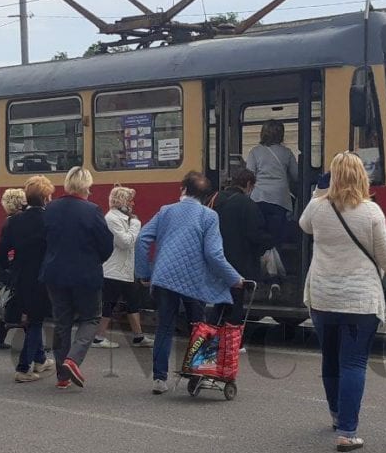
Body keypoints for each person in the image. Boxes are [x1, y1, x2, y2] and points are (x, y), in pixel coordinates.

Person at [299, 153, 386, 452]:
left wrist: (319, 192)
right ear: (363, 177)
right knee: (354, 363)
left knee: (330, 360)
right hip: (359, 303)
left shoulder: (318, 209)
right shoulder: (371, 212)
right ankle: (347, 431)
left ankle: (336, 416)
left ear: (333, 176)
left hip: (323, 300)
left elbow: (303, 225)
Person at [136, 171, 244, 395]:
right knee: (201, 326)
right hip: (193, 281)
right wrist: (234, 278)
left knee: (164, 327)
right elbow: (214, 255)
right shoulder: (209, 216)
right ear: (206, 196)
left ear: (183, 189)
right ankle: (200, 371)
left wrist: (145, 273)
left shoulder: (166, 211)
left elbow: (142, 239)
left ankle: (159, 378)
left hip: (165, 278)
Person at [41, 166, 114, 389]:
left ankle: (62, 377)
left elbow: (44, 239)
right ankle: (74, 359)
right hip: (85, 275)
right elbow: (106, 245)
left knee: (61, 322)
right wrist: (94, 261)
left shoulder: (50, 208)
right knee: (91, 318)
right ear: (86, 186)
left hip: (55, 274)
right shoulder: (92, 210)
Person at [0, 177, 56, 382]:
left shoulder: (15, 220)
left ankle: (40, 359)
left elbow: (2, 249)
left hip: (20, 276)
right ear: (46, 197)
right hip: (41, 276)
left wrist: (9, 268)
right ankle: (23, 368)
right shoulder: (49, 220)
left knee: (30, 318)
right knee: (36, 321)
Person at [212, 168, 272, 347]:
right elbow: (256, 235)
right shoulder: (248, 205)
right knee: (235, 304)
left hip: (216, 259)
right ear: (248, 185)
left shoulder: (215, 199)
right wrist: (269, 243)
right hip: (239, 263)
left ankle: (208, 338)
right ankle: (231, 343)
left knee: (220, 302)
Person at [92, 185, 154, 350]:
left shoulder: (123, 218)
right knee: (109, 304)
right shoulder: (112, 218)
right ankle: (98, 338)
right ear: (121, 201)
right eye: (129, 200)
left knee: (133, 302)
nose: (133, 204)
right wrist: (135, 224)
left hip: (124, 270)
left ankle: (138, 336)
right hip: (113, 270)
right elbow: (125, 242)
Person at [246, 119, 299, 300]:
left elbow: (249, 174)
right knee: (275, 241)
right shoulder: (286, 153)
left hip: (258, 199)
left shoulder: (255, 152)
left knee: (261, 241)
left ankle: (266, 279)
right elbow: (296, 175)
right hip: (280, 201)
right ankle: (276, 279)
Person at [0, 187, 27, 349]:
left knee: (11, 303)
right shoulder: (16, 221)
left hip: (8, 268)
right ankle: (34, 343)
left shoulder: (9, 220)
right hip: (13, 268)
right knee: (19, 303)